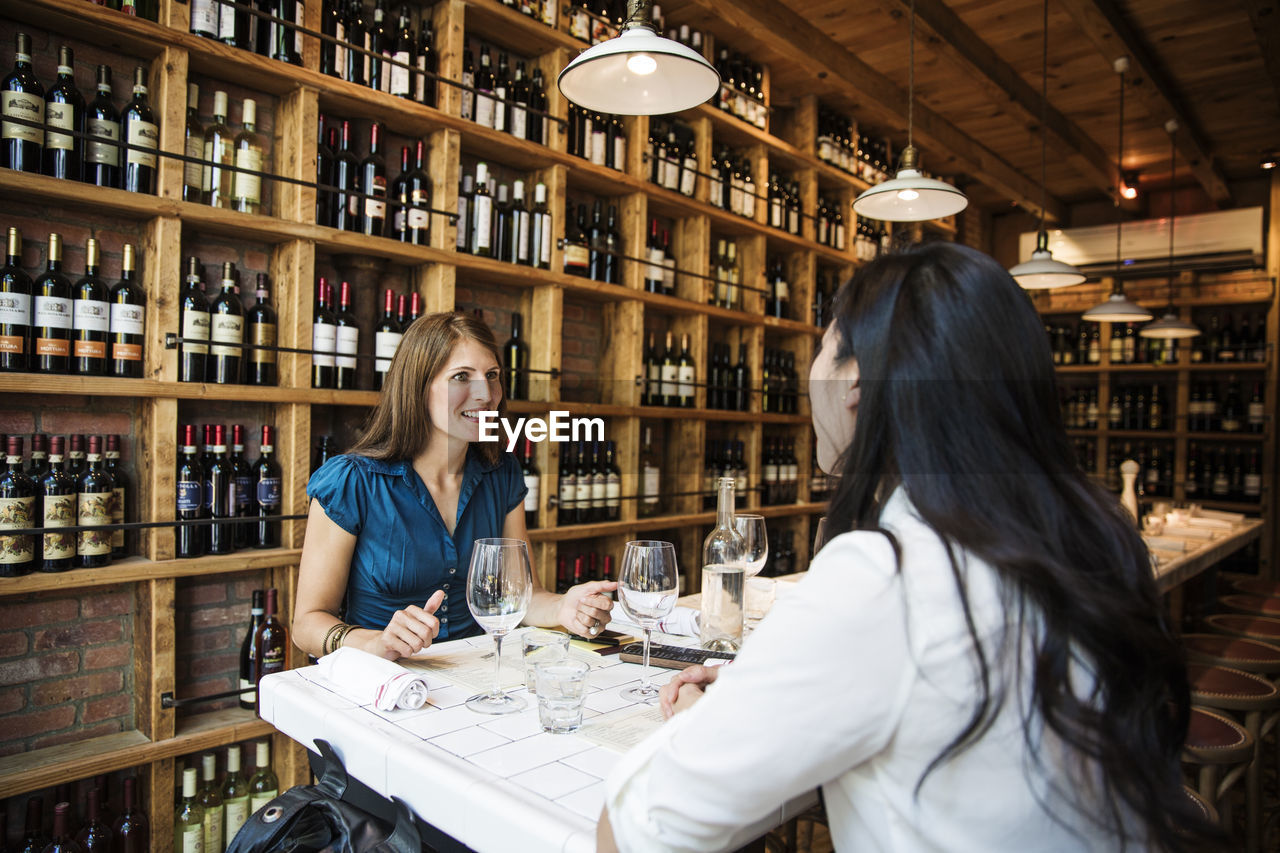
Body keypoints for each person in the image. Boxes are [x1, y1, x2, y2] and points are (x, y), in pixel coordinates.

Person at [598, 244, 1219, 851]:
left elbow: (637, 833)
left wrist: (705, 724)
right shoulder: (1090, 539)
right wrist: (760, 686)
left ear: (857, 387)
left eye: (823, 347)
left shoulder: (885, 575)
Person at [293, 311, 614, 660]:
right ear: (418, 387)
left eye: (492, 376)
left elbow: (522, 597)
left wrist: (563, 607)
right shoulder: (351, 481)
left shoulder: (502, 473)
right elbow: (307, 625)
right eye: (461, 376)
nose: (485, 394)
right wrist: (371, 641)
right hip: (382, 681)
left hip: (475, 676)